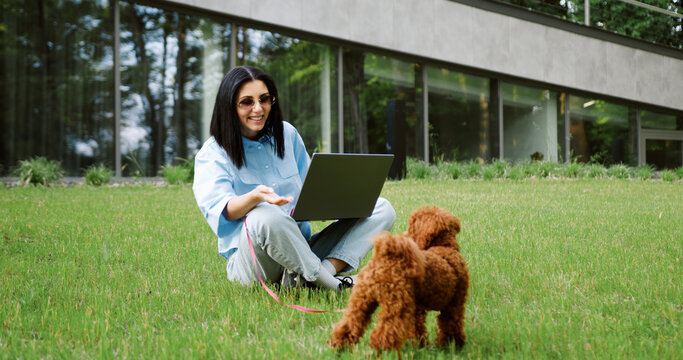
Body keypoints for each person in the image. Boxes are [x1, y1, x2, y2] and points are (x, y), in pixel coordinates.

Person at [192, 66, 396, 291]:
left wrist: (344, 196)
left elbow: (312, 190)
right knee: (264, 213)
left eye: (264, 99)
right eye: (247, 102)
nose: (258, 108)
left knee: (381, 208)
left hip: (303, 249)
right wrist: (255, 197)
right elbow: (223, 210)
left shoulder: (286, 134)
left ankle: (316, 276)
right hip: (254, 263)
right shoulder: (212, 153)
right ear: (230, 106)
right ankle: (335, 287)